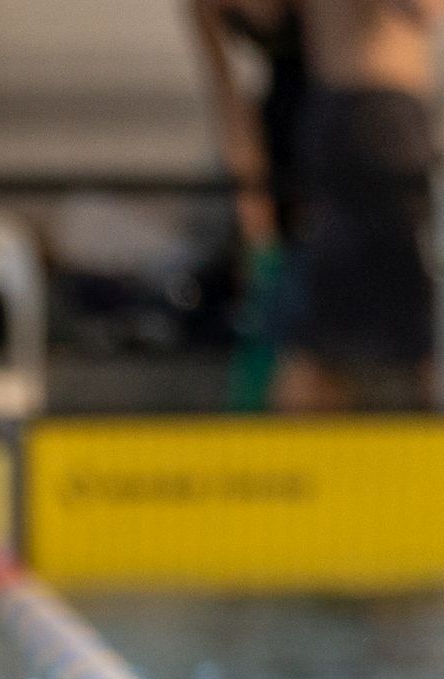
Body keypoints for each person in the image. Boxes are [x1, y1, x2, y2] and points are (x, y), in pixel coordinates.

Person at [274, 0, 441, 412]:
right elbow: (424, 10)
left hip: (333, 111)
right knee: (406, 317)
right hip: (379, 113)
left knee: (331, 317)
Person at [188, 0, 310, 407]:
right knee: (267, 295)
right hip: (279, 133)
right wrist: (255, 219)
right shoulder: (206, 8)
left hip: (338, 126)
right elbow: (230, 104)